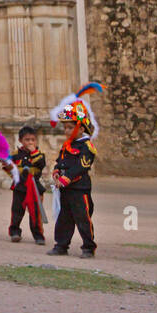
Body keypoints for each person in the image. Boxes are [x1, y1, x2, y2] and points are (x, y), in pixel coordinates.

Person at [47, 84, 102, 259]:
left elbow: (81, 166)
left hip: (79, 189)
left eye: (71, 127)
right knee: (64, 218)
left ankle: (88, 246)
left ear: (82, 128)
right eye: (65, 128)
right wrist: (57, 170)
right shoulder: (67, 145)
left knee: (83, 218)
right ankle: (61, 245)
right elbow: (61, 160)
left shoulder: (87, 147)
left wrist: (67, 178)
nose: (67, 131)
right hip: (66, 189)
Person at [4, 126, 46, 244]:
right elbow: (9, 168)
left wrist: (33, 152)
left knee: (35, 212)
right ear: (21, 140)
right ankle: (15, 232)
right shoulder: (16, 154)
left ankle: (38, 235)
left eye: (33, 140)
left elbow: (41, 164)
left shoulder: (39, 154)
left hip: (34, 187)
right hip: (20, 187)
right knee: (17, 210)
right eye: (27, 140)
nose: (30, 142)